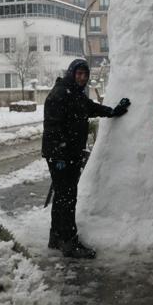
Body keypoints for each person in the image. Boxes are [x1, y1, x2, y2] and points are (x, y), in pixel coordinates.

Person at [42, 58, 131, 259]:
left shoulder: (74, 93)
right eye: (79, 73)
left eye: (85, 74)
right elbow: (52, 127)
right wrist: (60, 155)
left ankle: (56, 238)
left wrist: (114, 111)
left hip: (68, 154)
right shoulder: (60, 94)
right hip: (61, 156)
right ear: (71, 73)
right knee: (67, 198)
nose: (82, 77)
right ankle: (69, 242)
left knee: (62, 198)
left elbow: (92, 108)